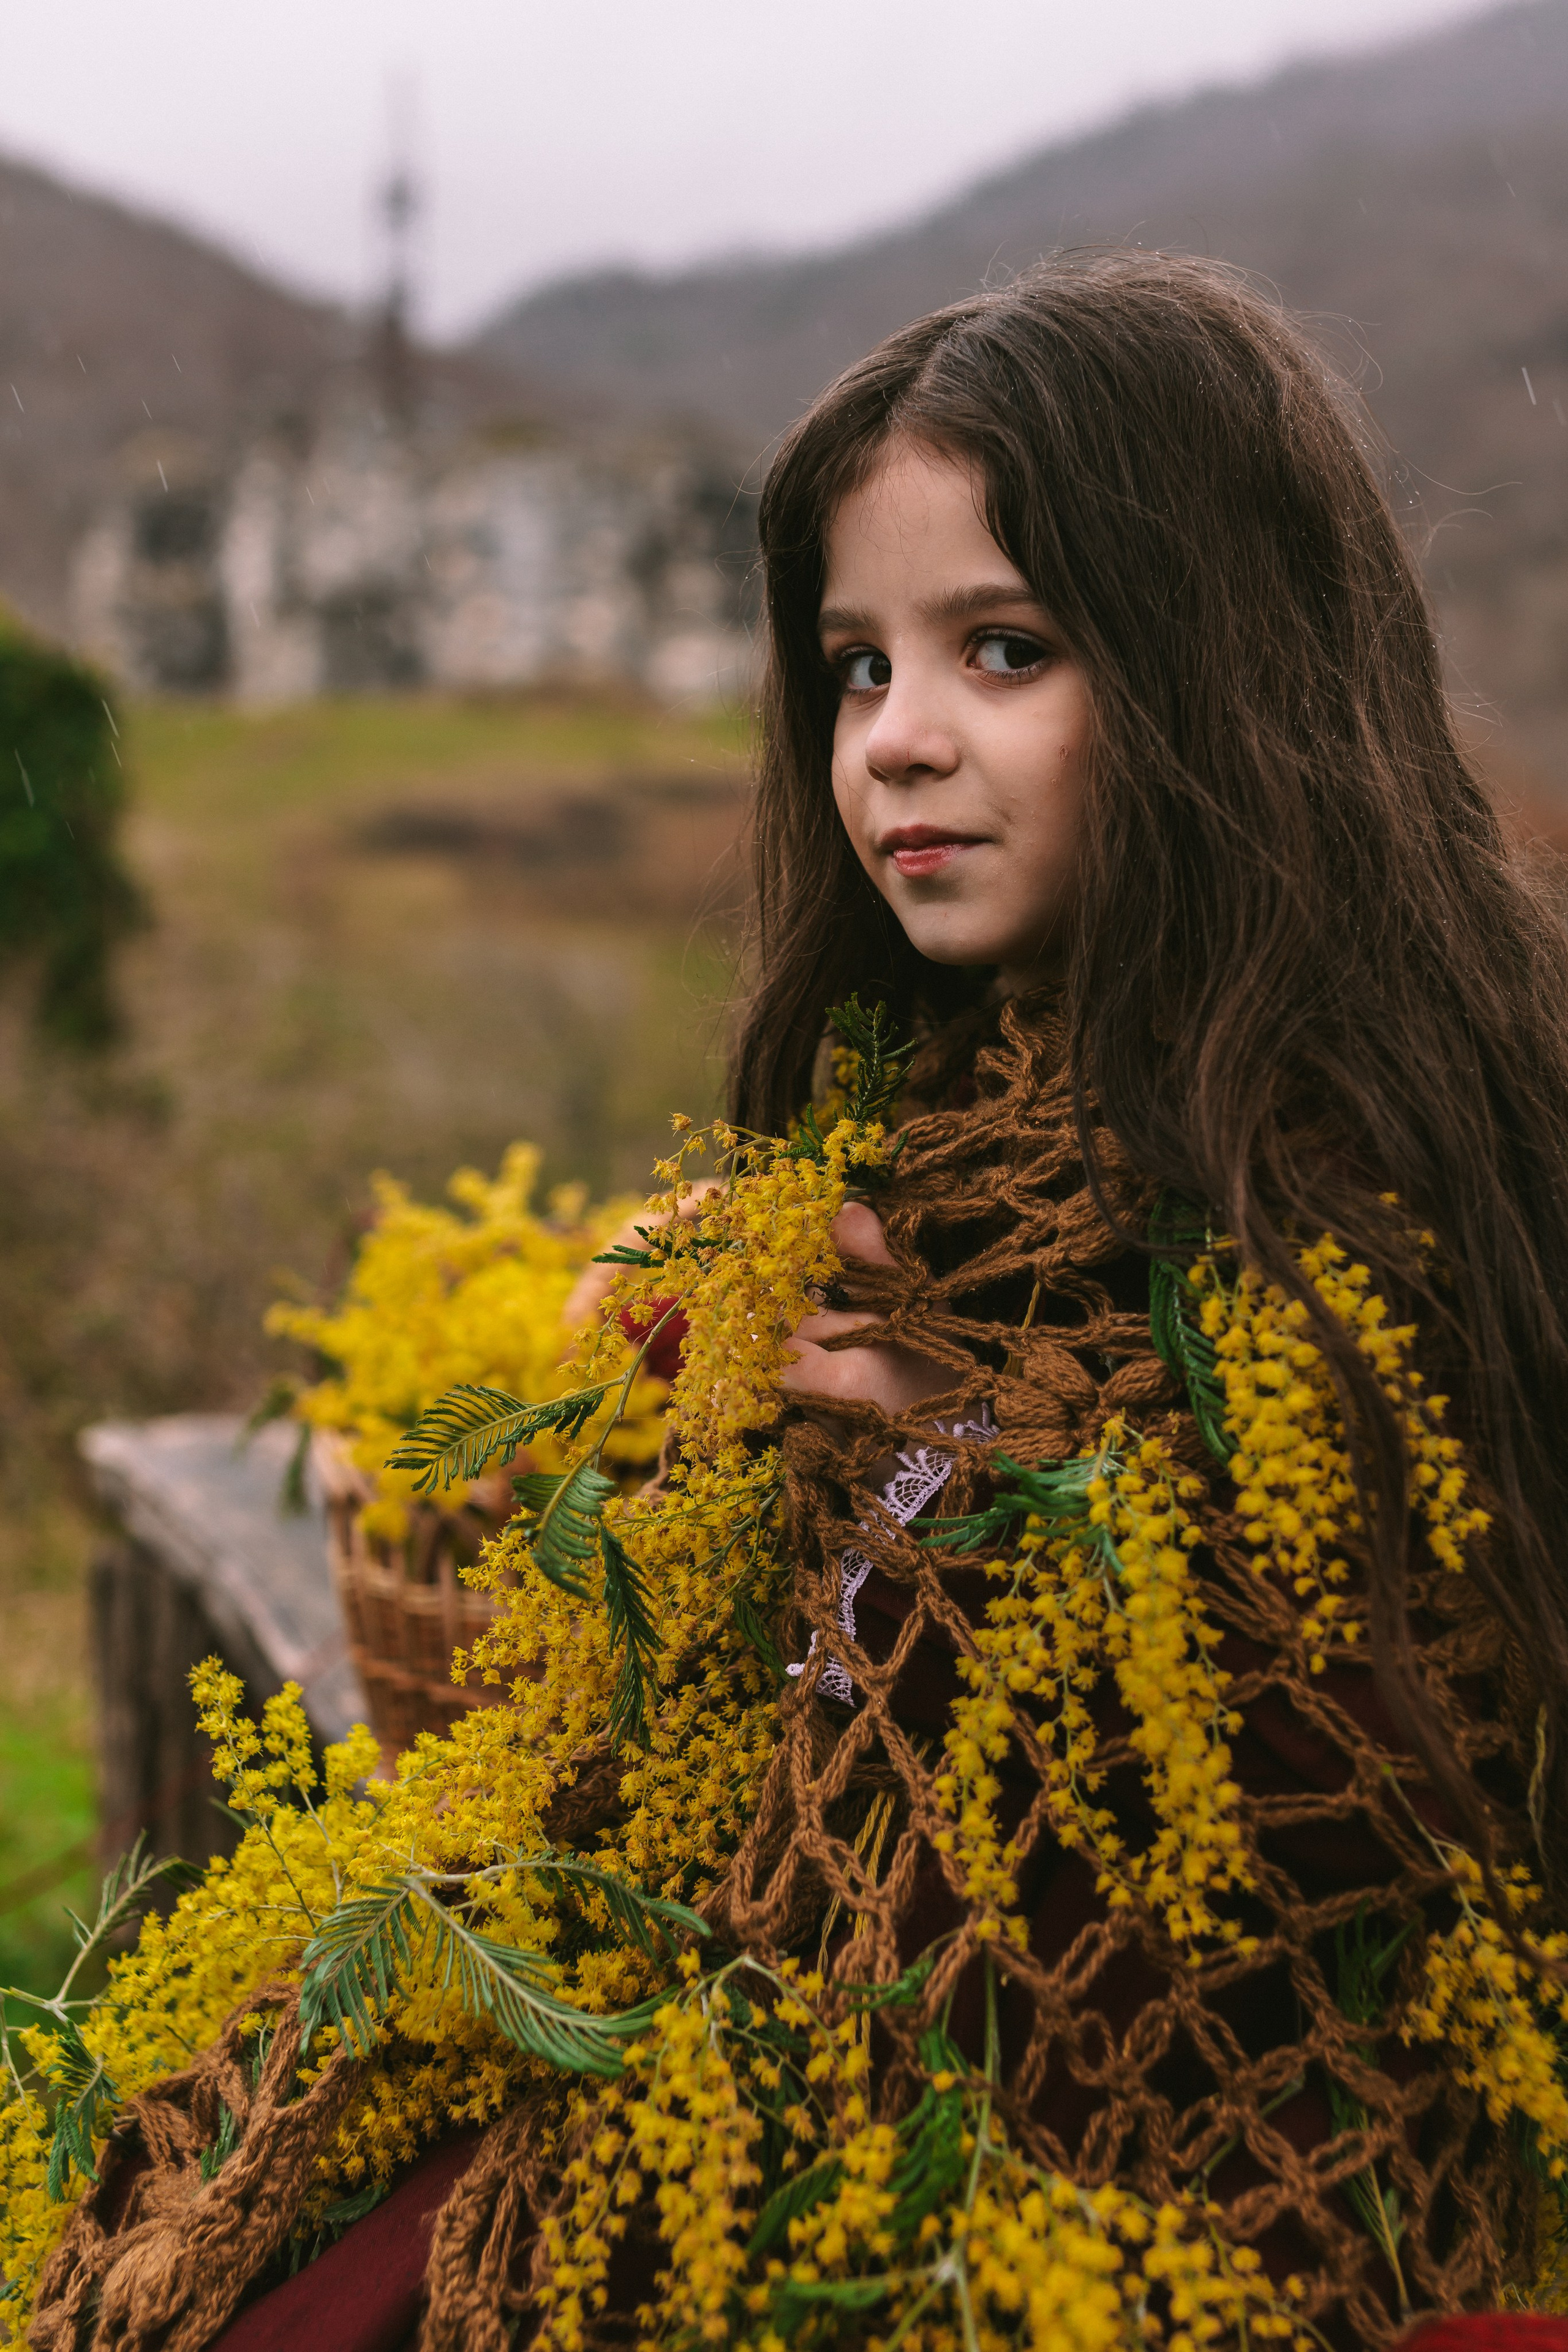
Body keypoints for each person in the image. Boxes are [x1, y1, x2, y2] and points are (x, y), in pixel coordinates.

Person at [29, 251, 1568, 2351]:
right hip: (780, 2082)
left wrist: (1005, 1474)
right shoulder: (904, 1150)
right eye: (855, 668)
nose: (899, 745)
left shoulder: (1379, 1209)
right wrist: (687, 1436)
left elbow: (1367, 1809)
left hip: (1145, 2216)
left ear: (1230, 677)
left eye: (1003, 650)